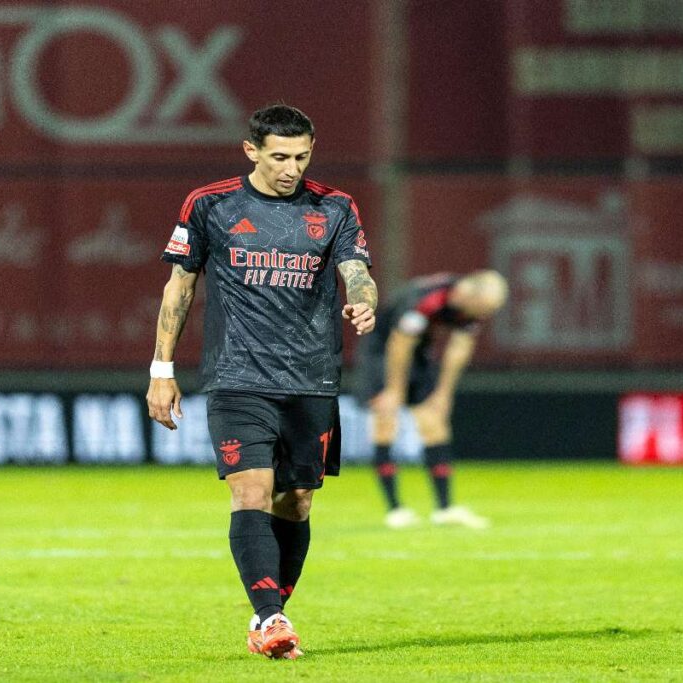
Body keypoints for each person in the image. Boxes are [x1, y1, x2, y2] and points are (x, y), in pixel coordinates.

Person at [145, 104, 376, 660]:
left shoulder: (335, 207)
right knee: (250, 489)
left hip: (312, 379)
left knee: (296, 501)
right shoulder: (211, 204)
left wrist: (364, 302)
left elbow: (357, 271)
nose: (290, 168)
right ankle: (273, 620)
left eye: (301, 156)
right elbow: (180, 287)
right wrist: (161, 370)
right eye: (279, 156)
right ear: (251, 151)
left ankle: (264, 612)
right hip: (236, 377)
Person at [354, 270, 507, 529]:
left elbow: (460, 347)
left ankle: (445, 508)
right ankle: (395, 510)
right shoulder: (426, 300)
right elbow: (399, 344)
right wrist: (393, 390)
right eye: (483, 309)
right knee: (386, 419)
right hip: (382, 351)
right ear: (471, 295)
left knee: (434, 421)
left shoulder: (467, 307)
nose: (484, 316)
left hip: (419, 352)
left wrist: (444, 394)